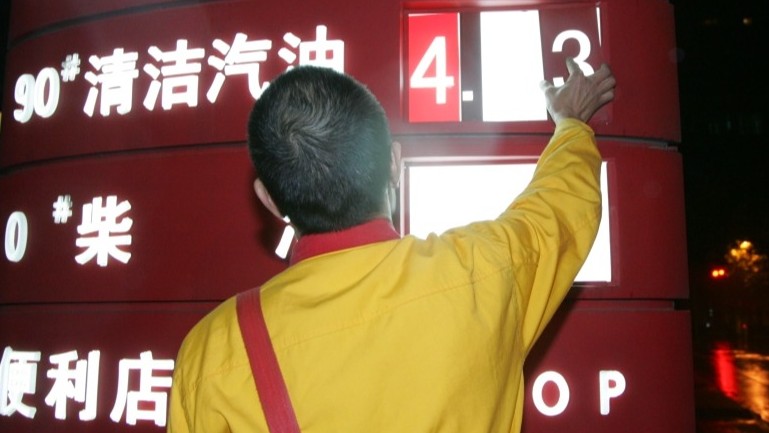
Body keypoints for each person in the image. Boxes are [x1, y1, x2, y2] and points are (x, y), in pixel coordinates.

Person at [168, 58, 616, 432]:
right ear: (395, 164)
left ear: (268, 199)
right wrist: (570, 124)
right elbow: (562, 206)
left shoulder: (213, 354)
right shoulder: (481, 272)